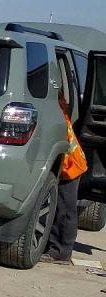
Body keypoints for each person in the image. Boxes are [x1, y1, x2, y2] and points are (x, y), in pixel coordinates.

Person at [44, 81, 89, 263]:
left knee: (65, 209)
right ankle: (57, 248)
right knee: (62, 208)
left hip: (71, 166)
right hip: (70, 163)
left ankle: (61, 251)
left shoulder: (58, 113)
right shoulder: (60, 110)